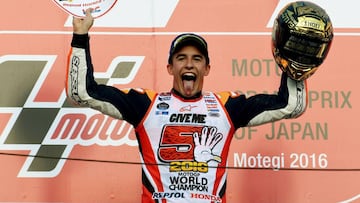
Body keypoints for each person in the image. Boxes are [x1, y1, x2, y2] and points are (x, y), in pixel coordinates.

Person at [66, 4, 321, 202]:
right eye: (181, 58)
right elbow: (82, 93)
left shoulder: (226, 107)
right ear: (170, 67)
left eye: (197, 59)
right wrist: (80, 35)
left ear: (207, 68)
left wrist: (295, 62)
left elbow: (290, 105)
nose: (189, 64)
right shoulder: (146, 105)